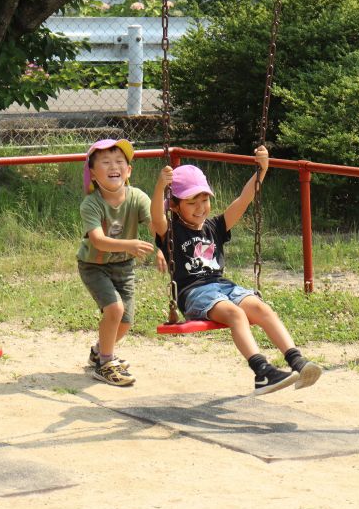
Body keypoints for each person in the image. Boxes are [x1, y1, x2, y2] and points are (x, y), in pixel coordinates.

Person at [151, 146, 323, 396]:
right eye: (191, 202)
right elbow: (156, 216)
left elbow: (243, 200)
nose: (200, 208)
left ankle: (297, 361)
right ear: (175, 206)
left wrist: (261, 171)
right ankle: (262, 371)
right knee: (236, 314)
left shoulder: (215, 226)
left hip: (222, 286)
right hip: (194, 293)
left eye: (204, 200)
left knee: (261, 308)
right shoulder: (171, 231)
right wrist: (159, 186)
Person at [77, 138, 163, 387]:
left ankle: (99, 351)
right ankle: (105, 364)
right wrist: (130, 244)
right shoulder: (92, 203)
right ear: (93, 174)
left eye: (119, 161)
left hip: (124, 266)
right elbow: (99, 241)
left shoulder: (137, 197)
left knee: (125, 323)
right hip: (94, 265)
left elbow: (157, 226)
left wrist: (161, 249)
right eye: (105, 162)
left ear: (128, 171)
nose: (113, 166)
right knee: (114, 310)